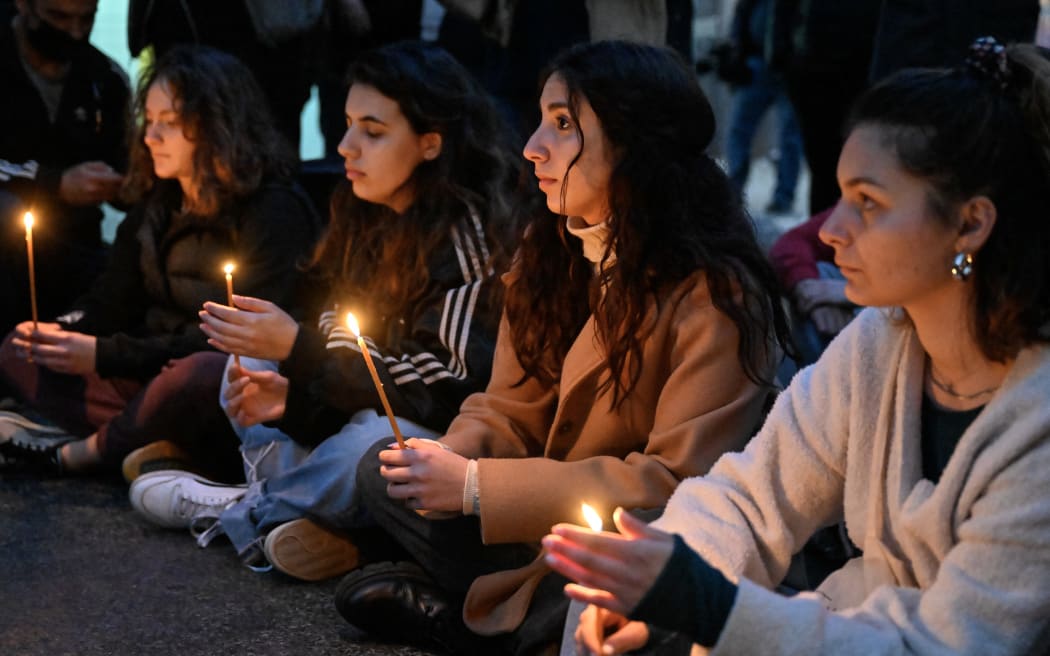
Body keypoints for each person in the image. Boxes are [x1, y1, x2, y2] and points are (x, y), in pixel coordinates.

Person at [542, 37, 1050, 656]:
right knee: (611, 594)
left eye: (869, 204)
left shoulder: (1037, 419)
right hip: (844, 621)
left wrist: (708, 604)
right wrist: (657, 576)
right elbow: (752, 498)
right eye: (838, 197)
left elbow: (949, 645)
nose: (831, 232)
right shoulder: (879, 342)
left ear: (971, 223)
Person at [335, 40, 792, 655]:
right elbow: (506, 408)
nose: (532, 147)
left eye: (563, 125)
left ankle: (471, 620)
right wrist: (446, 458)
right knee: (381, 468)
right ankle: (515, 619)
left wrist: (474, 487)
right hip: (542, 532)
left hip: (631, 542)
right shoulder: (551, 251)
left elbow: (675, 489)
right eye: (541, 120)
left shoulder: (715, 293)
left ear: (633, 145)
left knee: (648, 607)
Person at [127, 41, 524, 580]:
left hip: (441, 433)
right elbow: (338, 338)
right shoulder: (361, 212)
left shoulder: (467, 235)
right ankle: (327, 530)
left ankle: (241, 507)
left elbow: (446, 383)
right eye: (347, 124)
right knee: (246, 373)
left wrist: (299, 350)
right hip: (355, 406)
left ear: (431, 144)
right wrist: (292, 397)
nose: (345, 146)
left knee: (372, 444)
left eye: (373, 131)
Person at [0, 45, 320, 479]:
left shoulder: (273, 210)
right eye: (148, 121)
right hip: (147, 373)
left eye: (168, 124)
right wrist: (64, 331)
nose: (150, 137)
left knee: (201, 374)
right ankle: (149, 438)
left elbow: (239, 342)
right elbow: (110, 300)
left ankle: (88, 450)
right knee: (20, 351)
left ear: (217, 126)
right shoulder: (159, 203)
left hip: (217, 379)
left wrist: (105, 354)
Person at [0, 0, 130, 338]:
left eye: (86, 20)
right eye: (58, 17)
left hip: (77, 243)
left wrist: (127, 186)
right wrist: (53, 183)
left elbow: (125, 166)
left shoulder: (106, 80)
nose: (74, 32)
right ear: (24, 6)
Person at [724, 0, 802, 215]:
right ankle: (734, 191)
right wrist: (738, 53)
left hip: (788, 68)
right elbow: (741, 16)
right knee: (738, 132)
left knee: (790, 138)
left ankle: (783, 198)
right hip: (756, 65)